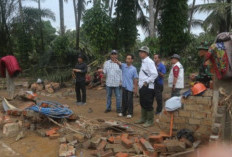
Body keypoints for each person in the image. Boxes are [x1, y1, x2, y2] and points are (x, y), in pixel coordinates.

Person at [135, 46, 158, 127]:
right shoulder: (143, 62)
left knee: (148, 103)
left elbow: (155, 74)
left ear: (146, 53)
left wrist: (146, 82)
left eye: (142, 52)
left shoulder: (149, 62)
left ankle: (150, 120)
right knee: (142, 102)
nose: (140, 53)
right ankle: (143, 118)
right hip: (142, 86)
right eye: (140, 52)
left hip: (148, 86)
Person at [115, 54, 138, 118]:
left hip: (130, 87)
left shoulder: (134, 69)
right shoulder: (123, 66)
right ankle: (123, 112)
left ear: (132, 60)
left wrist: (135, 88)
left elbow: (135, 79)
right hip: (124, 86)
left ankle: (130, 113)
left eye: (129, 58)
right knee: (124, 100)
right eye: (127, 58)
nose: (127, 59)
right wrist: (116, 61)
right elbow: (119, 63)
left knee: (130, 100)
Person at [102, 50, 122, 116]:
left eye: (115, 54)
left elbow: (121, 73)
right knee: (108, 96)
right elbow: (104, 72)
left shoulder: (119, 64)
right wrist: (101, 71)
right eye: (112, 54)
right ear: (110, 55)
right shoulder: (106, 63)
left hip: (117, 83)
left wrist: (121, 82)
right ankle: (108, 108)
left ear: (117, 55)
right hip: (109, 83)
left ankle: (118, 108)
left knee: (118, 96)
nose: (113, 55)